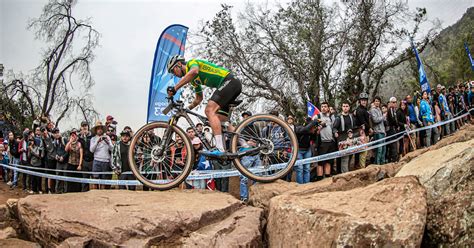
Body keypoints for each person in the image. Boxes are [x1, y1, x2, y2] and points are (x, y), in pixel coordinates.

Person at [166, 55, 242, 157]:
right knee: (221, 120)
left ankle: (220, 149)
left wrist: (175, 88)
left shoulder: (191, 63)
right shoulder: (194, 80)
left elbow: (194, 71)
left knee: (209, 110)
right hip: (231, 85)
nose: (174, 74)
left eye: (173, 71)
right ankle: (244, 143)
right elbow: (198, 99)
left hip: (229, 81)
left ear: (179, 64)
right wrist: (186, 109)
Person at [315, 102, 336, 180]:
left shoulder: (330, 117)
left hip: (330, 142)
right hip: (321, 143)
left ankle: (327, 178)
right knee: (320, 162)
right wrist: (318, 127)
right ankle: (320, 179)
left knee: (329, 161)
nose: (323, 108)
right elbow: (312, 128)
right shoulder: (317, 116)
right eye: (322, 106)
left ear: (328, 108)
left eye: (325, 106)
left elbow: (332, 128)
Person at [90, 121, 113, 190]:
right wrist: (97, 142)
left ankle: (102, 197)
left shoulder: (107, 137)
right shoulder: (93, 139)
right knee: (95, 180)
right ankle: (95, 196)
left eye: (101, 128)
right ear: (96, 130)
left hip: (105, 161)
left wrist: (108, 142)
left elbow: (112, 149)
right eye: (98, 129)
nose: (100, 130)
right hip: (96, 161)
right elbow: (91, 150)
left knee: (103, 181)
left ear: (103, 130)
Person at [354, 92, 372, 168]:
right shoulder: (360, 110)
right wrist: (370, 128)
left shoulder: (364, 109)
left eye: (365, 100)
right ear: (360, 101)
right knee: (363, 152)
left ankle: (360, 166)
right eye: (362, 100)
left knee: (363, 151)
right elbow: (363, 122)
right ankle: (362, 168)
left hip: (365, 132)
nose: (364, 101)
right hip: (362, 133)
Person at [369, 97, 386, 165]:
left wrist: (384, 131)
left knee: (383, 149)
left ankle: (382, 163)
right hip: (377, 132)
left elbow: (382, 122)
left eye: (378, 101)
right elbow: (375, 120)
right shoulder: (373, 110)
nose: (377, 102)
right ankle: (377, 164)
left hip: (382, 131)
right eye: (376, 101)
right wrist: (383, 117)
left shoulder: (379, 109)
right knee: (379, 149)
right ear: (374, 102)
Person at [78, 121, 93, 192]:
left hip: (92, 160)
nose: (84, 127)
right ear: (81, 127)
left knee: (93, 180)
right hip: (84, 160)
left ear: (88, 127)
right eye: (83, 126)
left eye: (86, 125)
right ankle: (84, 194)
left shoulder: (92, 136)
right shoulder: (79, 137)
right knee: (85, 180)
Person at [43, 126, 57, 193]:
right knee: (49, 175)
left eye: (44, 130)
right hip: (49, 159)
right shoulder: (43, 140)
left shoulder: (52, 135)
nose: (44, 132)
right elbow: (44, 151)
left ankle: (55, 189)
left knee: (55, 174)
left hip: (56, 159)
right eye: (42, 131)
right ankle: (49, 189)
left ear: (46, 130)